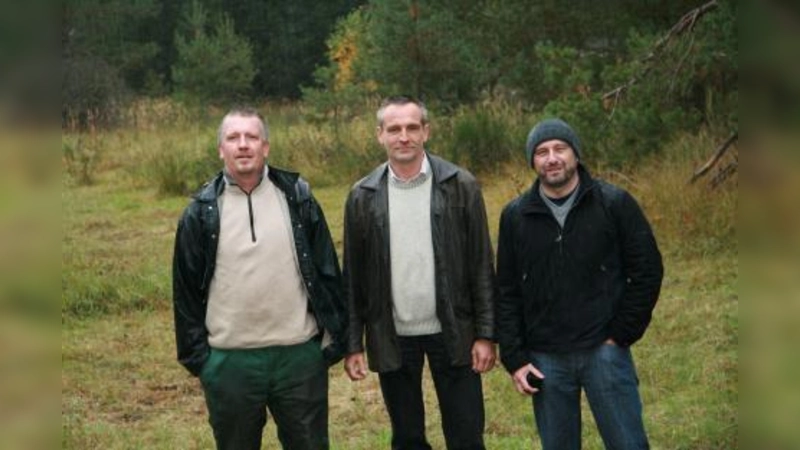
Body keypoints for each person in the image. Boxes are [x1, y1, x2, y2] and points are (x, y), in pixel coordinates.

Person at [172, 107, 347, 450]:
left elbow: (328, 271)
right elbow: (185, 293)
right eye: (233, 138)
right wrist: (202, 363)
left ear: (265, 146)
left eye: (251, 137)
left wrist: (333, 342)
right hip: (229, 362)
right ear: (221, 149)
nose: (243, 145)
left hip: (299, 357)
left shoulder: (298, 199)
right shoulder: (199, 212)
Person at [495, 118, 664, 450]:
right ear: (532, 161)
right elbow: (507, 290)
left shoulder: (613, 203)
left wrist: (621, 333)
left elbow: (647, 270)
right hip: (545, 358)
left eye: (560, 148)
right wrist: (514, 357)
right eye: (542, 152)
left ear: (576, 154)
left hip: (604, 351)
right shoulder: (515, 216)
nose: (552, 158)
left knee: (628, 444)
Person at [343, 96, 496, 450]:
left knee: (466, 435)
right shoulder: (362, 196)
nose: (404, 136)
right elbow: (353, 277)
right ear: (380, 135)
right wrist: (353, 343)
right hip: (392, 333)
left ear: (426, 131)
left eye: (412, 127)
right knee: (407, 437)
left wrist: (486, 334)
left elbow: (481, 264)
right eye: (394, 129)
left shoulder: (461, 185)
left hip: (454, 329)